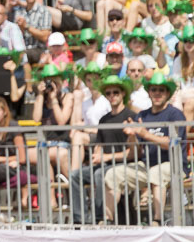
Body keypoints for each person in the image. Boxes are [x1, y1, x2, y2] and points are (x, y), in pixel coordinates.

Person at [103, 73, 185, 225]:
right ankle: (107, 221)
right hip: (146, 165)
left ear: (167, 93)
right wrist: (132, 136)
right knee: (112, 174)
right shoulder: (143, 115)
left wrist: (145, 134)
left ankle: (157, 220)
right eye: (154, 90)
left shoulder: (175, 114)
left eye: (161, 90)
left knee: (156, 173)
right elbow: (136, 152)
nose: (157, 93)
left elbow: (173, 144)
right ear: (149, 93)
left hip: (173, 165)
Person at [68, 75, 136, 225]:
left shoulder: (131, 117)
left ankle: (100, 218)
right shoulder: (103, 120)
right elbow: (99, 145)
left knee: (100, 174)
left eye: (116, 92)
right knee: (75, 175)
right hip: (106, 164)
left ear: (123, 93)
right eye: (109, 93)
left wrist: (106, 157)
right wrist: (97, 156)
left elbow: (133, 153)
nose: (112, 96)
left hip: (125, 164)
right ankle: (80, 220)